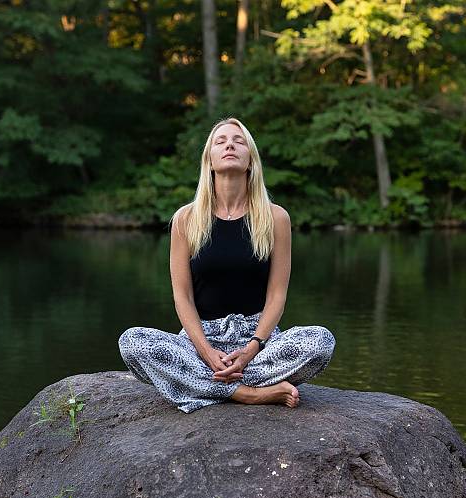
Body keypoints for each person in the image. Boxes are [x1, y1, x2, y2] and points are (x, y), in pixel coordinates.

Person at [118, 117, 336, 413]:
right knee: (132, 342)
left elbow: (277, 296)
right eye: (220, 141)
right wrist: (206, 352)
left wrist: (251, 349)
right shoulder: (186, 219)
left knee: (321, 342)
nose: (230, 145)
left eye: (238, 140)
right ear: (209, 161)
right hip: (199, 342)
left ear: (250, 161)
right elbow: (182, 297)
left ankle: (203, 385)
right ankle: (248, 393)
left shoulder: (276, 218)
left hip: (258, 344)